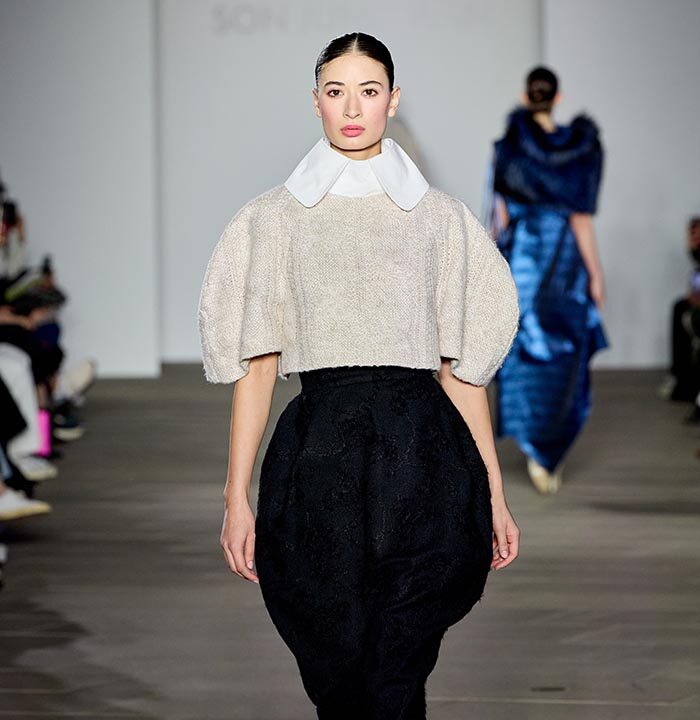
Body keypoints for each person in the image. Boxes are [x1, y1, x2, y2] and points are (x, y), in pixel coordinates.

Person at [198, 32, 520, 718]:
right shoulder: (274, 220)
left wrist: (493, 492)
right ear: (314, 100)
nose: (352, 108)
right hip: (319, 459)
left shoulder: (438, 219)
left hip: (423, 455)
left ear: (393, 101)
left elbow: (461, 372)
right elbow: (257, 367)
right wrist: (235, 496)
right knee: (336, 661)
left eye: (369, 91)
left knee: (399, 665)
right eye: (336, 91)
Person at [488, 66, 608, 494]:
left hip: (524, 262)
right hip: (565, 266)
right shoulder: (581, 150)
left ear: (526, 96)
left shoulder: (508, 147)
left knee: (523, 352)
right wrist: (596, 275)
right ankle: (548, 452)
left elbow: (499, 219)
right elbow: (581, 220)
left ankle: (536, 448)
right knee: (564, 353)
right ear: (558, 97)